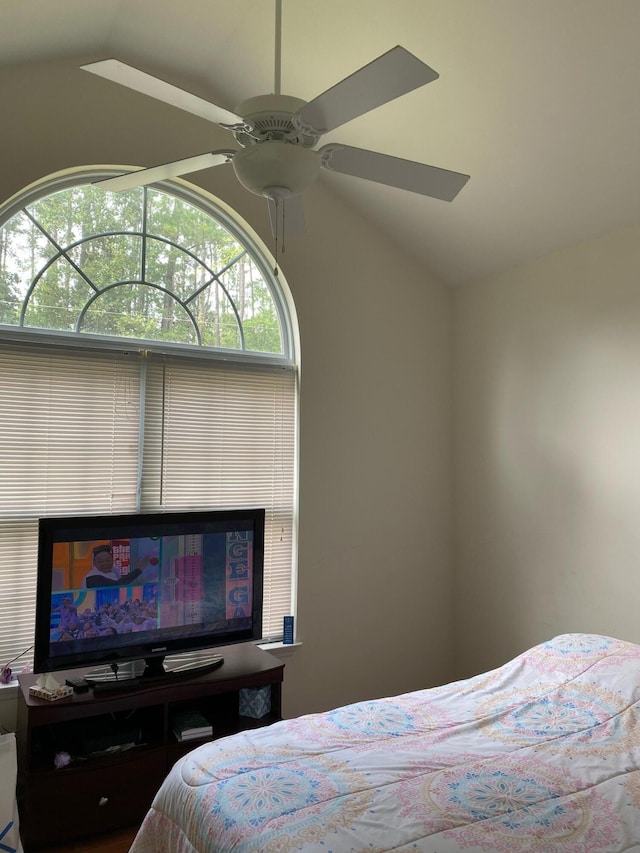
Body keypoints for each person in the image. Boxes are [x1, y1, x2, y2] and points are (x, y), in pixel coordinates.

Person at [82, 544, 149, 589]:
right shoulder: (91, 577)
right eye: (100, 562)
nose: (105, 564)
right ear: (94, 563)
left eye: (108, 560)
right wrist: (139, 569)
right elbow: (116, 586)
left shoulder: (114, 572)